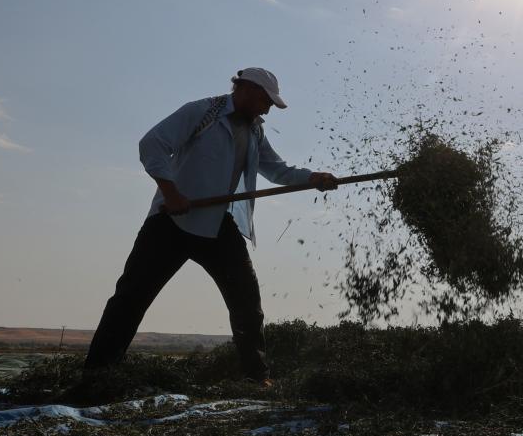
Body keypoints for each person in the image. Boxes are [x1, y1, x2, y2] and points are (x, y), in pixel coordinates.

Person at [79, 67, 337, 387]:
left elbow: (277, 170)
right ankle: (95, 375)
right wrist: (171, 192)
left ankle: (256, 378)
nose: (268, 108)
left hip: (218, 226)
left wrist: (313, 179)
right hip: (170, 223)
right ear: (246, 89)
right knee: (130, 299)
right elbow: (152, 144)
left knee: (247, 303)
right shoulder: (203, 112)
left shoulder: (255, 130)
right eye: (265, 101)